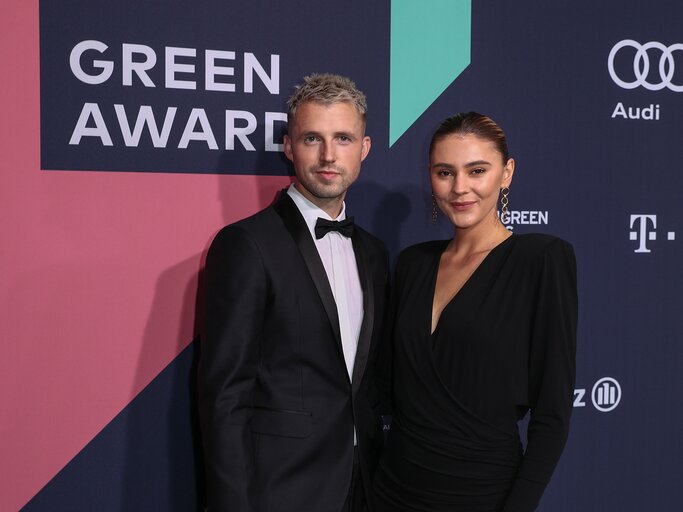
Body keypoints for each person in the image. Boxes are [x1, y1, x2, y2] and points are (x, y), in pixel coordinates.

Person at [198, 73, 389, 512]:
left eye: (343, 138)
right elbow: (224, 395)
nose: (328, 155)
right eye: (311, 139)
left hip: (366, 486)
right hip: (281, 490)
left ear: (364, 149)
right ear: (288, 146)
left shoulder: (375, 254)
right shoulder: (246, 245)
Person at [372, 112, 577, 512]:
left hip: (480, 493)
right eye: (444, 172)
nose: (460, 188)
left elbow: (552, 416)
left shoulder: (542, 259)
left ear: (507, 173)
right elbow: (386, 387)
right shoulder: (414, 263)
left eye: (477, 170)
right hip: (391, 490)